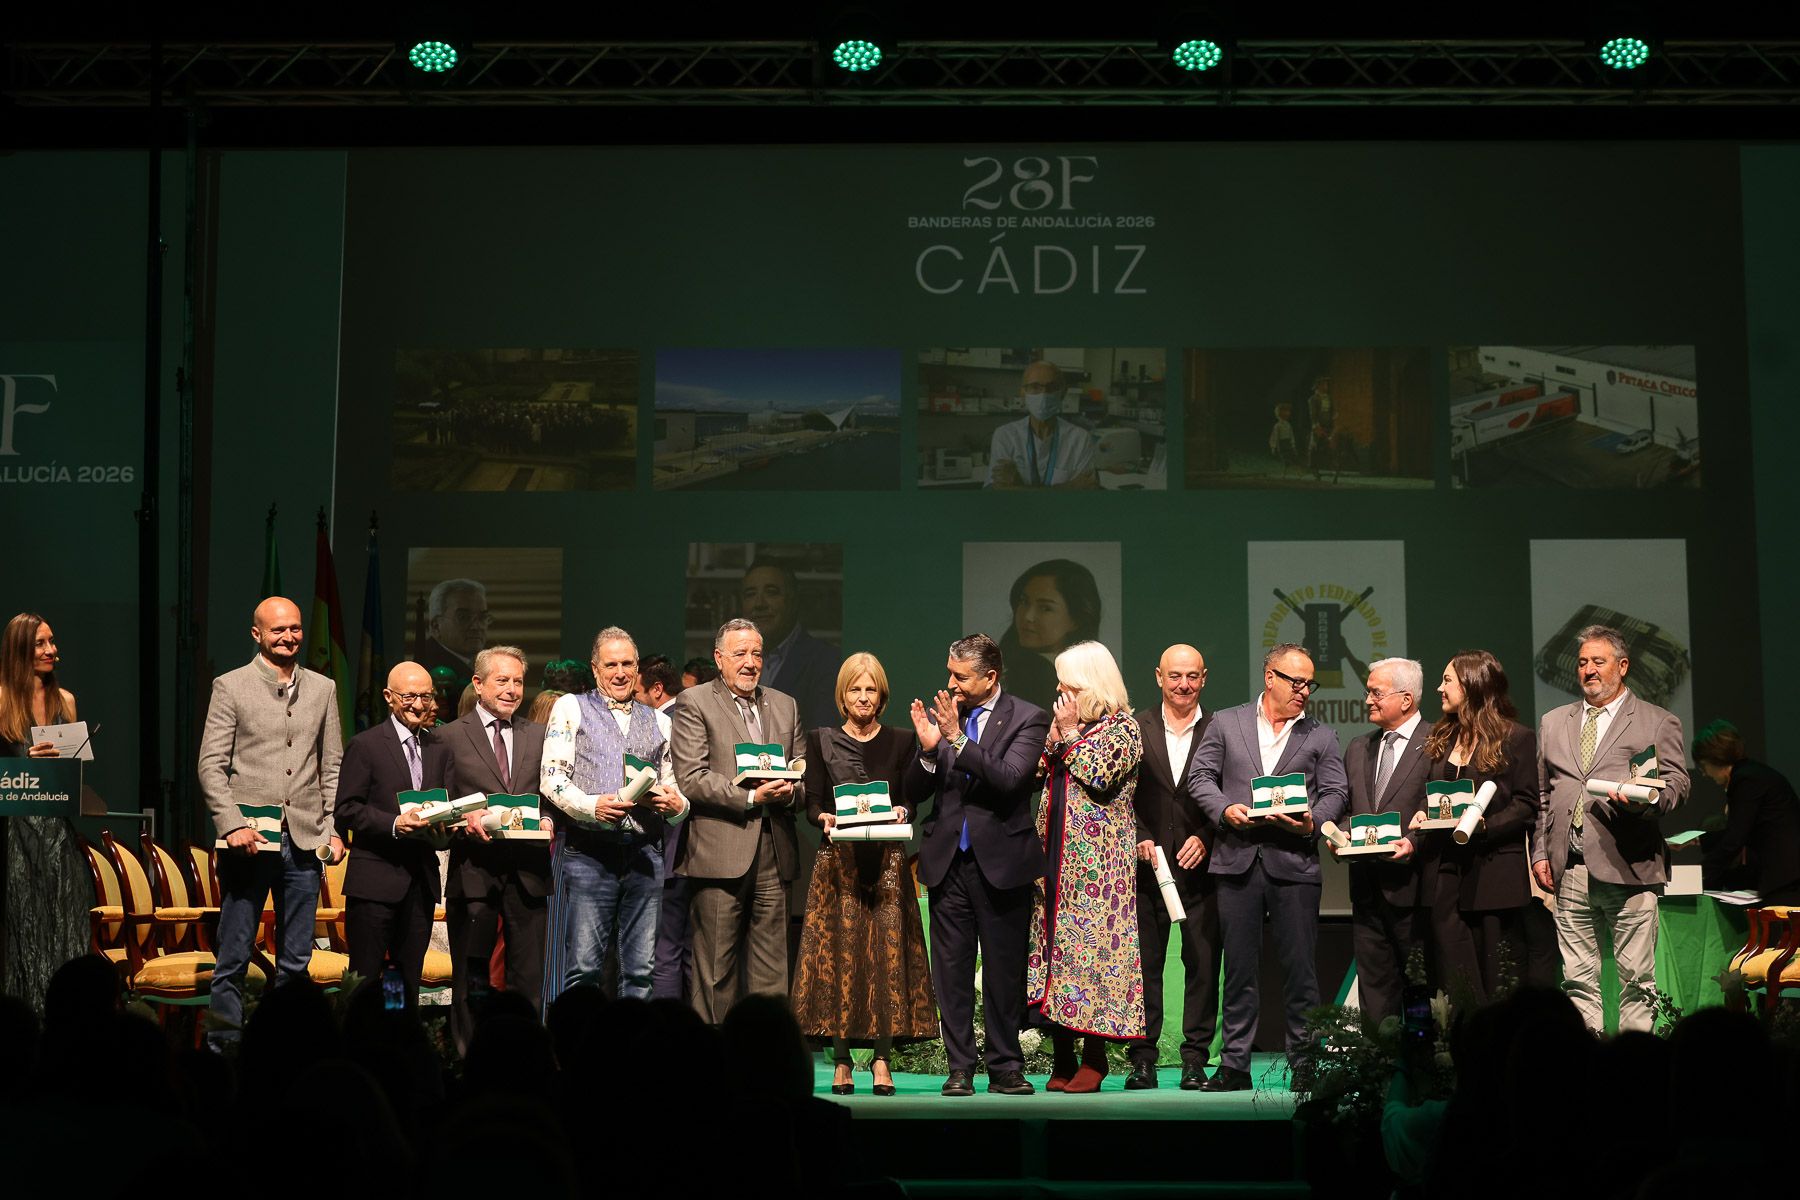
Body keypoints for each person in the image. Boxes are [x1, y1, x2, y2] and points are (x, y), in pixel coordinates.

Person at [1184, 643, 1348, 1092]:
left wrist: (1313, 821)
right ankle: (1234, 1065)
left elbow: (1336, 792)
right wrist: (1224, 810)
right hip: (1237, 861)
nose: (1304, 691)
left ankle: (1305, 1064)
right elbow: (1201, 777)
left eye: (1310, 684)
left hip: (1295, 864)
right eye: (1296, 682)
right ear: (1270, 677)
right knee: (1239, 970)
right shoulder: (1226, 722)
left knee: (1300, 972)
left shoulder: (1321, 735)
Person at [903, 633, 1050, 1098]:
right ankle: (960, 1067)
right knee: (952, 971)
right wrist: (929, 752)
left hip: (1002, 864)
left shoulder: (1028, 717)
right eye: (950, 673)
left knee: (1005, 971)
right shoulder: (947, 716)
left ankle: (1005, 1066)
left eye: (961, 677)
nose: (951, 684)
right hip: (948, 863)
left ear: (990, 677)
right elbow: (913, 793)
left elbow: (1010, 779)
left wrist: (955, 740)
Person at [197, 596, 344, 1051]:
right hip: (249, 841)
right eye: (278, 629)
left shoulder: (323, 688)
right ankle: (223, 1051)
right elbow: (210, 766)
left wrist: (332, 827)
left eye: (295, 628)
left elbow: (332, 765)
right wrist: (231, 824)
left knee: (296, 961)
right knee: (233, 956)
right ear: (257, 634)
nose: (289, 636)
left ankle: (287, 1051)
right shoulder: (231, 686)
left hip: (304, 839)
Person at [1531, 624, 1690, 1034]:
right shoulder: (1553, 722)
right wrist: (1541, 852)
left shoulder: (1657, 720)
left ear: (1622, 666)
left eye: (1598, 662)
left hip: (1629, 865)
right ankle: (1587, 1060)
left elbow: (1677, 783)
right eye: (1582, 662)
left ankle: (1634, 1064)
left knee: (1636, 981)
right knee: (1577, 981)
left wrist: (1648, 801)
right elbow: (1544, 796)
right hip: (1570, 869)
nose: (1588, 670)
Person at [791, 653, 937, 1095]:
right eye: (855, 689)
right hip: (839, 864)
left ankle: (881, 1060)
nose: (863, 697)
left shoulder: (901, 740)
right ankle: (841, 1061)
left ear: (882, 695)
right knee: (840, 959)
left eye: (871, 689)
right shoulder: (821, 740)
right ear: (842, 695)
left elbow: (911, 799)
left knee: (886, 961)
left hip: (888, 863)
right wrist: (823, 818)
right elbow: (813, 802)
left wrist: (903, 810)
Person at [540, 628, 689, 1000]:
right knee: (583, 969)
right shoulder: (571, 707)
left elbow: (674, 789)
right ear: (595, 669)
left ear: (637, 668)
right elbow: (552, 778)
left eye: (627, 664)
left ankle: (633, 1039)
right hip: (590, 853)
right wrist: (592, 807)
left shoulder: (660, 721)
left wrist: (677, 808)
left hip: (645, 854)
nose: (620, 673)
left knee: (641, 972)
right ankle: (579, 1037)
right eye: (611, 665)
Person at [670, 618, 806, 1023]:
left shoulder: (785, 705)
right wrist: (749, 797)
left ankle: (768, 1053)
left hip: (774, 850)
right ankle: (714, 1056)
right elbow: (692, 777)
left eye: (757, 654)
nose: (750, 662)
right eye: (740, 654)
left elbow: (802, 774)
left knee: (772, 971)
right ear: (719, 658)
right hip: (719, 851)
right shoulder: (695, 701)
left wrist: (790, 792)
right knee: (715, 971)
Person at [1026, 642, 1144, 1093]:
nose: (1059, 691)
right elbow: (1036, 774)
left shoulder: (1123, 729)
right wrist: (1052, 739)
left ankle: (1095, 1058)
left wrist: (1071, 734)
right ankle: (1063, 1057)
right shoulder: (1064, 726)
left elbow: (1098, 774)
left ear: (1091, 684)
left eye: (1068, 684)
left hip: (1098, 870)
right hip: (1054, 857)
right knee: (1054, 955)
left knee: (1092, 957)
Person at [437, 644, 553, 1055]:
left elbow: (552, 796)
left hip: (528, 873)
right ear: (478, 683)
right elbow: (436, 804)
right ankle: (469, 1061)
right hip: (474, 872)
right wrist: (462, 817)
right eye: (502, 680)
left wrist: (549, 820)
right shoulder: (447, 737)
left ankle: (526, 1059)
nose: (511, 690)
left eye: (518, 681)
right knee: (472, 979)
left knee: (529, 980)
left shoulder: (539, 735)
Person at [1418, 651, 1539, 1003]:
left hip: (1492, 875)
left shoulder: (1516, 737)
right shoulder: (1443, 737)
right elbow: (1434, 794)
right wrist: (1425, 813)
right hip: (1446, 873)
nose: (1439, 688)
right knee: (1455, 976)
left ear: (1472, 685)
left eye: (1447, 681)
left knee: (1497, 978)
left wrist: (1484, 826)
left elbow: (1526, 804)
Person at [1126, 643, 1220, 1091]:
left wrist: (1207, 836)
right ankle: (1142, 1059)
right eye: (1175, 676)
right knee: (1145, 966)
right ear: (1159, 677)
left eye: (1192, 676)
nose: (1184, 685)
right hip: (1147, 870)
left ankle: (1195, 1060)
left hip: (1203, 870)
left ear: (1204, 678)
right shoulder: (1134, 728)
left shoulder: (1222, 729)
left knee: (1202, 964)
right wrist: (1139, 835)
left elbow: (1232, 790)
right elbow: (1121, 794)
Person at [334, 661, 449, 1007]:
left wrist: (445, 830)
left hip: (421, 882)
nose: (419, 704)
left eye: (426, 696)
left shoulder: (439, 747)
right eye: (409, 696)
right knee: (364, 983)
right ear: (388, 696)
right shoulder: (365, 745)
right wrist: (394, 823)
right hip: (374, 883)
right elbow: (346, 809)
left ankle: (402, 1041)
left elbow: (447, 804)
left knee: (406, 985)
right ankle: (355, 1040)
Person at [0, 613, 92, 1009]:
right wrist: (26, 763)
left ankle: (70, 1015)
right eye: (40, 643)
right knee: (25, 928)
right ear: (20, 649)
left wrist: (67, 760)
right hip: (15, 835)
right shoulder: (2, 700)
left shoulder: (64, 700)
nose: (51, 650)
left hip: (57, 832)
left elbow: (73, 775)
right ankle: (25, 1018)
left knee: (65, 923)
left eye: (52, 642)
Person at [1334, 658, 1426, 1028]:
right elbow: (1347, 809)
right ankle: (1379, 1058)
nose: (1367, 700)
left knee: (1420, 986)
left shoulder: (1438, 743)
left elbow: (1440, 808)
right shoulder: (1359, 747)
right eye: (1368, 692)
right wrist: (1340, 835)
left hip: (1416, 890)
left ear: (1406, 699)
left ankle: (1421, 1055)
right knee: (1374, 988)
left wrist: (1414, 841)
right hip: (1367, 888)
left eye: (1376, 692)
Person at [1694, 720, 1800, 905]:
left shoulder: (1745, 780)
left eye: (1703, 766)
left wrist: (1698, 874)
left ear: (1715, 758)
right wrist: (1697, 839)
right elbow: (1744, 830)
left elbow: (1735, 839)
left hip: (1787, 877)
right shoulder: (1753, 774)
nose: (1704, 773)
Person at [638, 654, 694, 1002]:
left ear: (656, 689)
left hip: (670, 847)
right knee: (687, 947)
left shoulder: (664, 724)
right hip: (694, 852)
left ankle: (666, 1027)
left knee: (665, 947)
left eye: (637, 693)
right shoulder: (695, 717)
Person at [739, 560, 840, 732]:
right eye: (750, 594)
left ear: (792, 601)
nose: (759, 604)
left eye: (771, 592)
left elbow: (823, 739)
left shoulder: (826, 661)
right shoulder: (730, 662)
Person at [996, 558, 1102, 715]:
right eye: (1024, 602)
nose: (1028, 616)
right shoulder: (1028, 674)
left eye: (1045, 608)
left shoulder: (1076, 674)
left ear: (1076, 619)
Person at [987, 359, 1097, 489]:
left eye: (1052, 387)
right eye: (1035, 387)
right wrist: (1069, 487)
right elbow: (999, 492)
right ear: (1023, 393)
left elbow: (1085, 493)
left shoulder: (1080, 438)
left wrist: (1019, 487)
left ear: (1063, 393)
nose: (1044, 394)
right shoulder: (1005, 435)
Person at [419, 578, 489, 711]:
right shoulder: (429, 670)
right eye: (463, 617)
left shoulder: (476, 661)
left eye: (482, 617)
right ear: (436, 626)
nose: (476, 626)